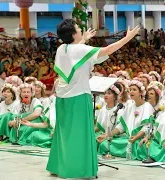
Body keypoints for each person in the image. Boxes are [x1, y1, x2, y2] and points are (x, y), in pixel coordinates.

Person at [46, 19, 140, 179]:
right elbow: (108, 49)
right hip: (78, 97)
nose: (80, 28)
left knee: (64, 133)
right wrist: (128, 37)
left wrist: (85, 39)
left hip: (62, 97)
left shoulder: (62, 48)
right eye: (78, 27)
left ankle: (59, 166)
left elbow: (76, 50)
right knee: (80, 134)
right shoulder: (80, 49)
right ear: (73, 33)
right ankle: (77, 169)